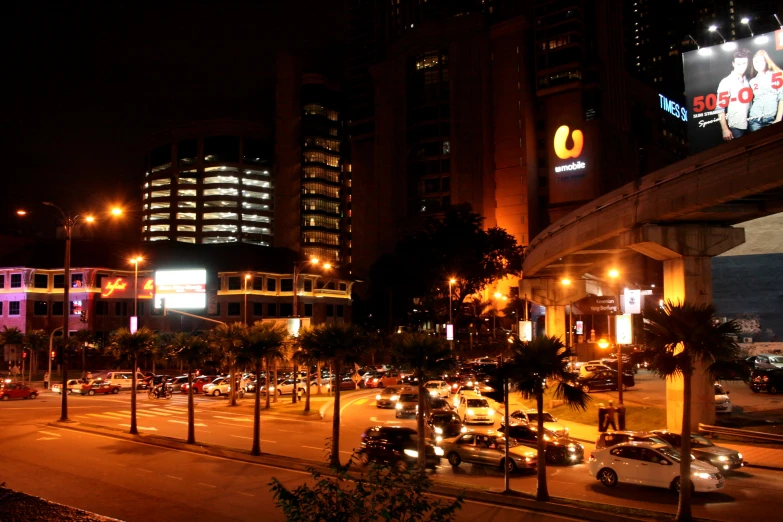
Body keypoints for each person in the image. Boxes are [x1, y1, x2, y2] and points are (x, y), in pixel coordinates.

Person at [717, 48, 752, 140]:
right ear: (733, 64)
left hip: (750, 123)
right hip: (735, 127)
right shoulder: (726, 82)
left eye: (744, 63)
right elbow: (720, 108)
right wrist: (724, 129)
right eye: (738, 64)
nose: (741, 66)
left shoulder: (747, 79)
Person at [748, 49, 783, 131]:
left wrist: (778, 119)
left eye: (761, 61)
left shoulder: (776, 76)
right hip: (754, 119)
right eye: (755, 62)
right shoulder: (752, 81)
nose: (758, 64)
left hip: (771, 118)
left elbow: (782, 98)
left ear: (766, 61)